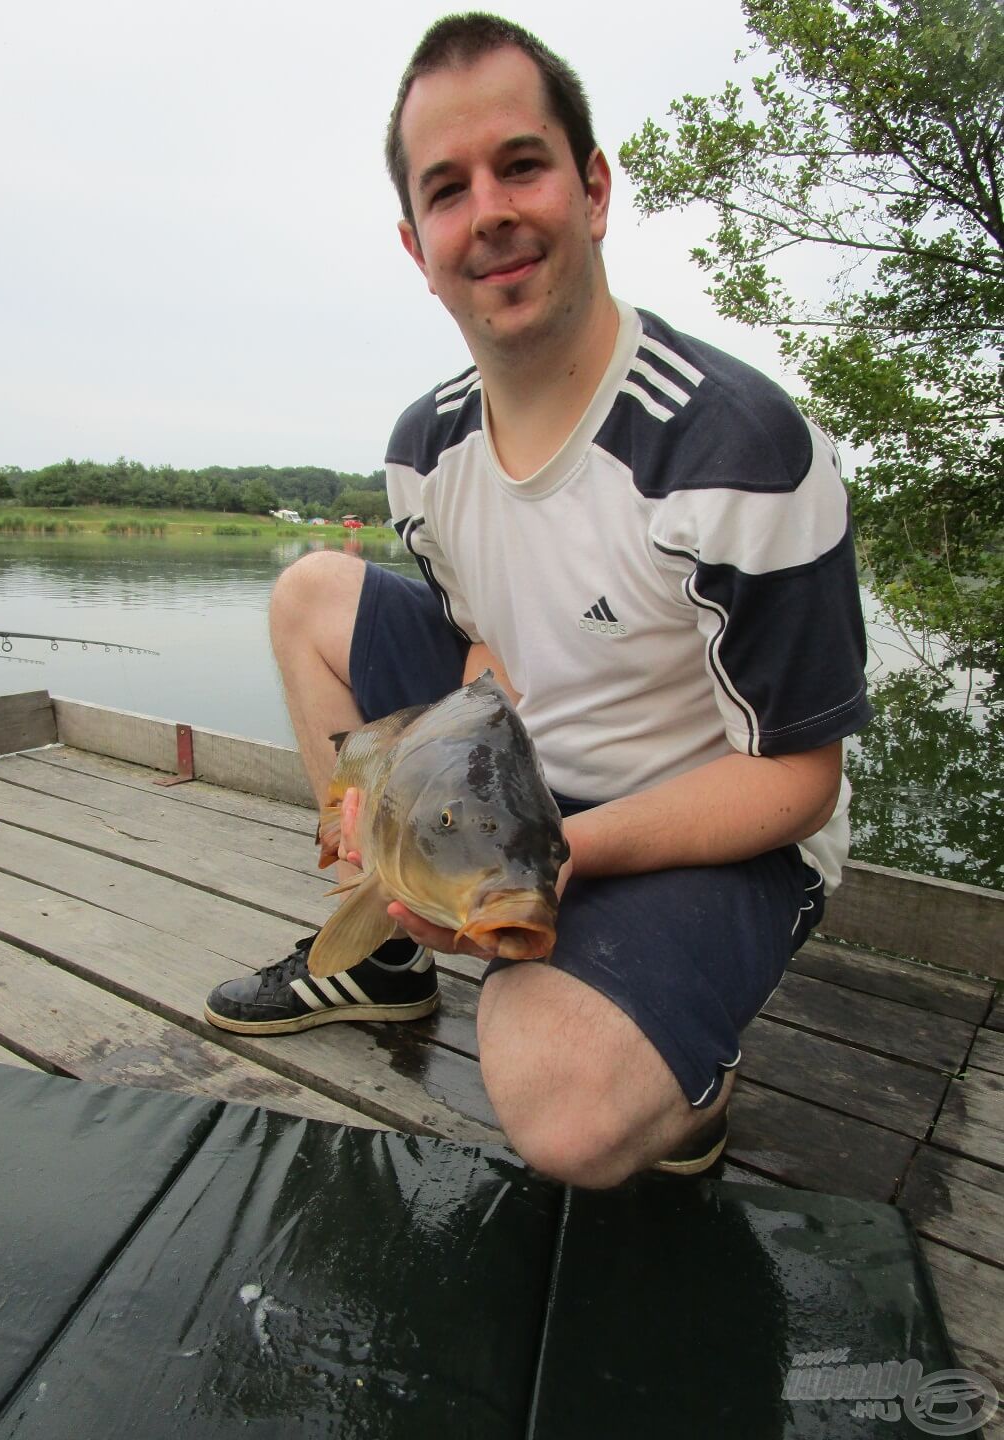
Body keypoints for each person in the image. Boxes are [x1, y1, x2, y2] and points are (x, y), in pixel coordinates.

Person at [205, 13, 870, 1188]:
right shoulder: (425, 446)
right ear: (418, 246)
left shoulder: (737, 445)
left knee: (558, 1107)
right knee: (308, 595)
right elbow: (486, 660)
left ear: (594, 187)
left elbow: (800, 776)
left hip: (719, 820)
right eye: (449, 189)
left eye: (521, 164)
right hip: (536, 774)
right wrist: (408, 820)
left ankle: (690, 1078)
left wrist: (554, 855)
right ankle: (385, 945)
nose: (492, 212)